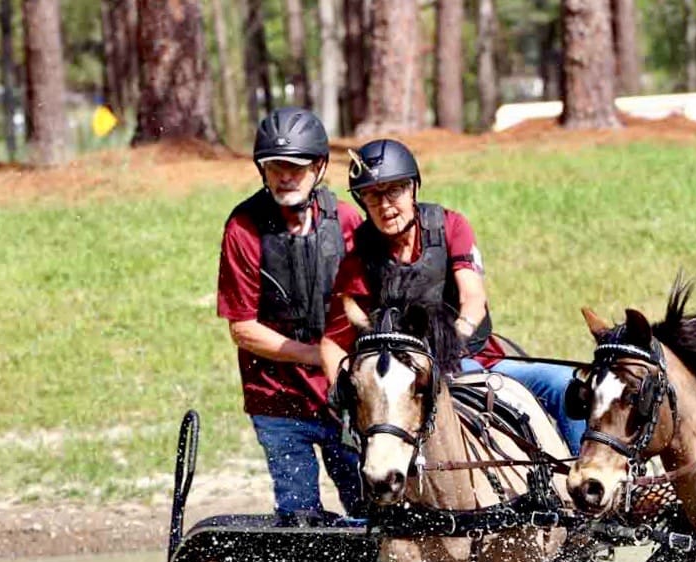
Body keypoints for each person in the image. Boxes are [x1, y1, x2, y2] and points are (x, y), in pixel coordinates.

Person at [319, 138, 586, 453]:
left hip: (473, 356)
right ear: (362, 202)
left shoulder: (450, 226)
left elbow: (473, 298)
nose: (386, 205)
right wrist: (348, 391)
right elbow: (332, 342)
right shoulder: (359, 257)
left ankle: (582, 479)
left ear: (414, 188)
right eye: (373, 196)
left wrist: (453, 338)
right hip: (411, 377)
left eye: (395, 190)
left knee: (566, 384)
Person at [216, 107, 367, 522]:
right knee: (301, 520)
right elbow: (243, 329)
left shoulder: (349, 221)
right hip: (277, 402)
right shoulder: (243, 228)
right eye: (275, 167)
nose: (285, 176)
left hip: (345, 399)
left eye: (296, 168)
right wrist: (316, 353)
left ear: (319, 167)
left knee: (373, 514)